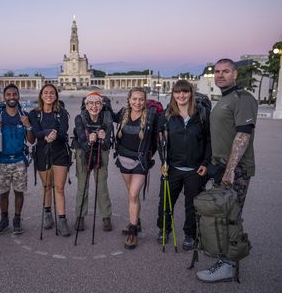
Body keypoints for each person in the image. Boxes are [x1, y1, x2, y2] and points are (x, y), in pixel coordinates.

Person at [196, 58, 258, 282]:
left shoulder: (243, 99)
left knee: (230, 216)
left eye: (225, 71)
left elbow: (243, 134)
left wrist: (230, 169)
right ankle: (224, 258)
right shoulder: (224, 99)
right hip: (221, 167)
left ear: (235, 74)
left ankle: (228, 264)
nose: (220, 75)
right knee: (221, 214)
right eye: (217, 72)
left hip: (235, 170)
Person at [156, 79, 211, 251]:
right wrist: (163, 161)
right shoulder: (166, 116)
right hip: (172, 167)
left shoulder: (202, 115)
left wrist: (205, 162)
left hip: (195, 169)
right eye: (178, 92)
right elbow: (161, 141)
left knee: (191, 205)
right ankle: (164, 229)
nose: (181, 95)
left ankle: (190, 234)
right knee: (165, 202)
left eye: (185, 92)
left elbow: (209, 140)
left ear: (190, 93)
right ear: (173, 94)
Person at [114, 87, 159, 249]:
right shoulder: (122, 114)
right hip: (123, 159)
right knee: (131, 194)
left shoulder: (152, 116)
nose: (137, 102)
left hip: (140, 161)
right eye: (134, 99)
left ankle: (132, 232)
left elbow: (163, 130)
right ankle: (136, 221)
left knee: (133, 194)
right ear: (129, 99)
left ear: (145, 101)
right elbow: (104, 116)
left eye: (141, 99)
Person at [0, 84, 35, 235]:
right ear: (4, 97)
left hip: (20, 159)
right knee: (3, 193)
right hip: (2, 160)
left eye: (14, 94)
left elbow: (31, 141)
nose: (12, 97)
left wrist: (28, 126)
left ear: (18, 96)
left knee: (19, 192)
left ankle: (17, 219)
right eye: (8, 95)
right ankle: (4, 218)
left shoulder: (24, 115)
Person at [29, 84, 72, 236]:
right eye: (46, 92)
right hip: (42, 152)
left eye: (52, 93)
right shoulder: (34, 114)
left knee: (59, 187)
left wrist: (54, 135)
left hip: (59, 152)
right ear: (41, 95)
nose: (49, 95)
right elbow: (35, 133)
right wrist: (48, 132)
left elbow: (63, 133)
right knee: (47, 186)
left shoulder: (62, 113)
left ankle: (62, 219)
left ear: (56, 95)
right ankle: (47, 214)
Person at [73, 92, 113, 232]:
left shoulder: (107, 118)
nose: (94, 106)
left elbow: (108, 144)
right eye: (91, 103)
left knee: (101, 185)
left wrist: (103, 138)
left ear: (102, 106)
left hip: (101, 151)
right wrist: (89, 141)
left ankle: (106, 216)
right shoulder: (79, 118)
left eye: (97, 103)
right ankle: (80, 216)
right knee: (82, 185)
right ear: (86, 105)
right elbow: (81, 142)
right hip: (83, 151)